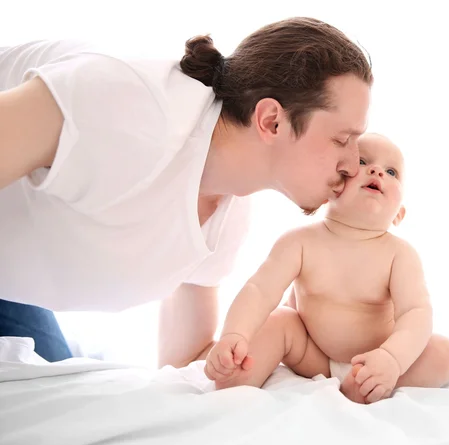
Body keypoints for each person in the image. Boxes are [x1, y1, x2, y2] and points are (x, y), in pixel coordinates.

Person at [0, 17, 373, 365]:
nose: (355, 165)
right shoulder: (130, 107)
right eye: (343, 139)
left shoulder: (227, 215)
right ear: (272, 121)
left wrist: (302, 341)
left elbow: (186, 359)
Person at [204, 133, 449, 404]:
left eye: (391, 171)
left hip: (376, 359)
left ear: (399, 213)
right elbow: (260, 290)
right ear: (331, 188)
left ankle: (364, 385)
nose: (376, 171)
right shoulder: (299, 242)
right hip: (311, 354)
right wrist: (235, 334)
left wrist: (392, 358)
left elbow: (416, 312)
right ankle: (235, 372)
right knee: (280, 320)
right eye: (362, 161)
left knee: (445, 354)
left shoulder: (400, 255)